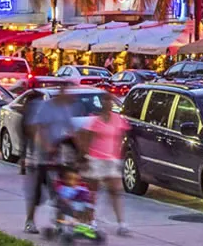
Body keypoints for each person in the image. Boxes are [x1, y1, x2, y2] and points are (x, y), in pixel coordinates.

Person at [24, 86, 81, 233]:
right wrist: (47, 146)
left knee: (61, 190)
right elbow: (38, 129)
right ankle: (30, 221)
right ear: (61, 93)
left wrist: (79, 151)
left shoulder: (66, 109)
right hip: (43, 156)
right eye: (67, 94)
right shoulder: (46, 107)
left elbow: (71, 130)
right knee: (38, 192)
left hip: (58, 155)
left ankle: (59, 222)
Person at [78, 93, 131, 234]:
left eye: (109, 101)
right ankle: (91, 220)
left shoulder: (117, 119)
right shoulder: (95, 121)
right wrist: (85, 157)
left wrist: (119, 154)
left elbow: (122, 137)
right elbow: (87, 139)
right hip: (96, 159)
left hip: (111, 159)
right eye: (105, 102)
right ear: (102, 104)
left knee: (115, 191)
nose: (107, 104)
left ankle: (122, 224)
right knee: (92, 192)